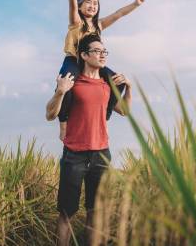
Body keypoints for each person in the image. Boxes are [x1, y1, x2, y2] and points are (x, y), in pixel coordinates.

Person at [46, 34, 132, 245]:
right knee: (67, 213)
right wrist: (59, 92)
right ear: (84, 55)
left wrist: (129, 87)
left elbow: (124, 110)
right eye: (97, 51)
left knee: (95, 211)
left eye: (105, 52)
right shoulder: (71, 83)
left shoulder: (106, 85)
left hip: (102, 155)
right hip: (74, 155)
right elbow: (50, 114)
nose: (102, 55)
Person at [57, 0, 143, 141]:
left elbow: (119, 14)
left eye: (95, 3)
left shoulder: (99, 25)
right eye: (88, 2)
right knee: (66, 85)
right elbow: (72, 5)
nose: (92, 6)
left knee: (117, 80)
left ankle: (105, 116)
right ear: (80, 6)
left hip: (92, 61)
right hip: (74, 60)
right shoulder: (76, 23)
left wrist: (135, 4)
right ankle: (63, 123)